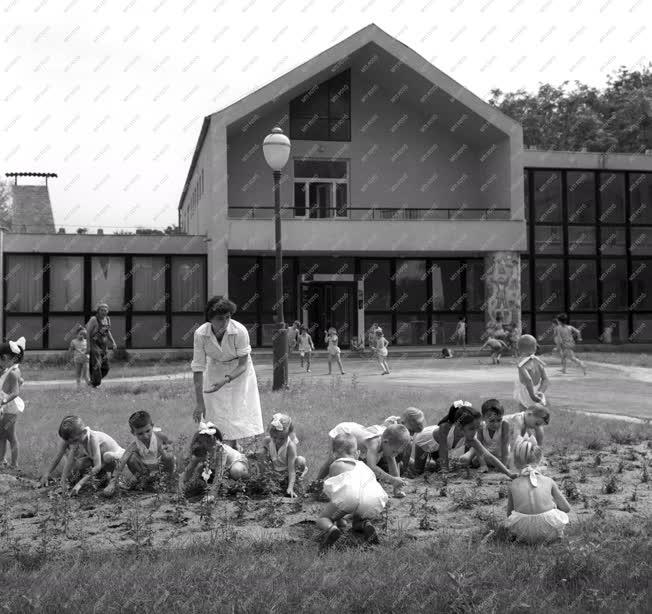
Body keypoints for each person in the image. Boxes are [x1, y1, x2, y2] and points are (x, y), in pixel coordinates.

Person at [192, 296, 264, 449]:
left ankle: (238, 449)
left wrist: (225, 380)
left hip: (238, 371)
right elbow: (198, 368)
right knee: (215, 411)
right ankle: (221, 449)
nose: (225, 322)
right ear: (210, 319)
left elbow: (243, 364)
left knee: (238, 410)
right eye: (220, 318)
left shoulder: (240, 331)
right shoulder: (200, 334)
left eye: (228, 317)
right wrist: (199, 403)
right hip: (214, 369)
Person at [317, 433, 388, 550]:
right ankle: (364, 524)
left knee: (323, 519)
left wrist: (338, 519)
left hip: (349, 497)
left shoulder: (336, 465)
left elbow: (337, 494)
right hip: (373, 499)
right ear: (356, 453)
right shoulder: (363, 466)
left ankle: (332, 530)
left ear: (334, 453)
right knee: (358, 515)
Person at [505, 435, 570, 544]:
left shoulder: (513, 484)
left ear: (516, 463)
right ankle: (555, 537)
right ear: (540, 460)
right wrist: (553, 507)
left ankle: (523, 538)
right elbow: (566, 508)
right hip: (549, 531)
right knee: (557, 512)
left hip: (522, 533)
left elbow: (509, 514)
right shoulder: (548, 480)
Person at [318, 422, 409, 498]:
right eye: (394, 451)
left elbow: (392, 463)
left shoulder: (387, 443)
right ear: (385, 442)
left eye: (397, 452)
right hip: (343, 432)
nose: (395, 455)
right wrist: (392, 480)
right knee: (333, 460)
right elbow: (372, 467)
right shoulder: (373, 444)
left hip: (355, 436)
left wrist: (396, 489)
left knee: (356, 464)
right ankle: (317, 484)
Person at [39, 416, 125, 496]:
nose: (73, 444)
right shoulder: (77, 437)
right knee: (79, 464)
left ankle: (114, 480)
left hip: (117, 459)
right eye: (71, 442)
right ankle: (103, 477)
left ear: (84, 432)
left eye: (75, 441)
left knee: (107, 456)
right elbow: (67, 459)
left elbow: (97, 466)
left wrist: (79, 484)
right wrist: (61, 480)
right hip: (102, 461)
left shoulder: (93, 439)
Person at [102, 410, 176, 497]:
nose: (145, 436)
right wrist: (112, 483)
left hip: (161, 468)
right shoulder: (134, 445)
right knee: (131, 458)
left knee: (168, 456)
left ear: (152, 426)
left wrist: (169, 451)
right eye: (140, 433)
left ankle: (167, 481)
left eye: (148, 431)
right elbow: (122, 461)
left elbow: (171, 444)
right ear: (133, 433)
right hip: (146, 470)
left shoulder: (160, 437)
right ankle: (145, 482)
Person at [434, 401, 516, 479]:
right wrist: (445, 471)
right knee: (421, 470)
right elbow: (443, 450)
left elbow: (489, 456)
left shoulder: (471, 439)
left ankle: (434, 462)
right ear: (459, 426)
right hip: (423, 445)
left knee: (435, 465)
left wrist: (509, 473)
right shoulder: (445, 427)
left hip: (434, 450)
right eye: (471, 428)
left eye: (477, 428)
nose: (475, 432)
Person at [179, 422, 249, 501]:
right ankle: (200, 487)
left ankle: (245, 485)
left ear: (215, 440)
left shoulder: (221, 451)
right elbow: (189, 470)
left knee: (236, 471)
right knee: (201, 469)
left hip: (236, 463)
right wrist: (181, 484)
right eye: (202, 442)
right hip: (222, 469)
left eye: (210, 440)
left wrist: (212, 494)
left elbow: (219, 473)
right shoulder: (201, 450)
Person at [257, 413, 307, 498]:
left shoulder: (290, 446)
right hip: (275, 470)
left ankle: (296, 482)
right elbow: (260, 458)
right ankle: (264, 481)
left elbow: (291, 470)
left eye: (282, 438)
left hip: (288, 470)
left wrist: (290, 487)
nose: (277, 441)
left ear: (288, 434)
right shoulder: (267, 441)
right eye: (274, 437)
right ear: (271, 434)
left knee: (300, 460)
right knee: (261, 452)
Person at [0, 337, 26, 469]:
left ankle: (15, 465)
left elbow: (15, 392)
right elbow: (20, 381)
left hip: (9, 408)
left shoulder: (13, 372)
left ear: (5, 357)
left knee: (11, 436)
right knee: (2, 435)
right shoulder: (10, 370)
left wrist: (3, 401)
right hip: (5, 407)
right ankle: (2, 461)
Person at [472, 399, 511, 472]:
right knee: (474, 462)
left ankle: (499, 464)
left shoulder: (505, 425)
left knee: (512, 462)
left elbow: (505, 446)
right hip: (489, 456)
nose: (496, 424)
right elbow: (478, 447)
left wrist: (503, 466)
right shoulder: (481, 427)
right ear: (483, 418)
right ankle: (490, 465)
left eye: (499, 420)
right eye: (492, 421)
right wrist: (483, 465)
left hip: (503, 456)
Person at [86, 303, 118, 387]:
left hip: (103, 345)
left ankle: (92, 381)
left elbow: (107, 332)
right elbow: (87, 333)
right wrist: (88, 347)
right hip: (94, 344)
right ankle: (95, 384)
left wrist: (113, 342)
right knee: (97, 364)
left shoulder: (107, 319)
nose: (104, 312)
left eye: (105, 310)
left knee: (106, 367)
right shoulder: (94, 319)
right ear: (98, 311)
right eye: (102, 310)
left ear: (107, 311)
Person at [514, 334, 549, 409]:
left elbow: (528, 380)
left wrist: (532, 395)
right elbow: (545, 379)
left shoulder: (522, 363)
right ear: (535, 348)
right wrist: (540, 392)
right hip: (538, 392)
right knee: (538, 416)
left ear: (519, 349)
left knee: (524, 415)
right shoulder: (538, 361)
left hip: (527, 393)